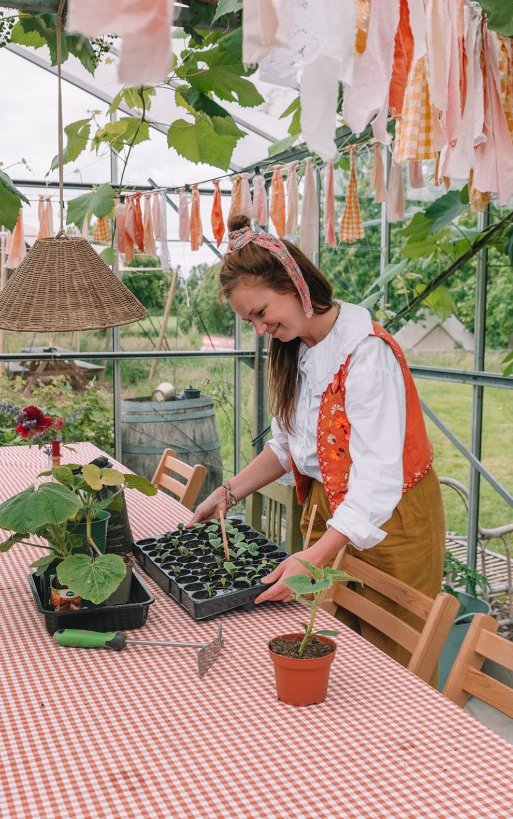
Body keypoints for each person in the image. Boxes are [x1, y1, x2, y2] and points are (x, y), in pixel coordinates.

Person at [189, 214, 445, 668]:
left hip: (392, 518)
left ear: (294, 284)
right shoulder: (299, 351)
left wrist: (317, 555)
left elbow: (378, 477)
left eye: (261, 313)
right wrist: (228, 493)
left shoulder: (366, 354)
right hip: (332, 514)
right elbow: (288, 446)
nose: (260, 329)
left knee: (388, 660)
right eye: (251, 320)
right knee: (332, 647)